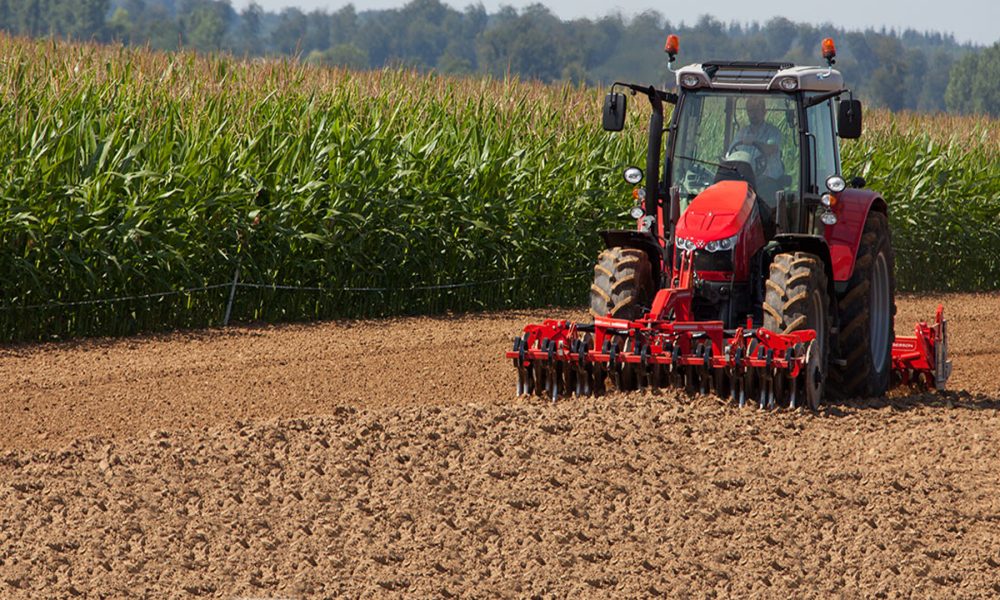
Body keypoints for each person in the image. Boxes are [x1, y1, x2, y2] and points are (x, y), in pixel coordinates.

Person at [730, 96, 784, 182]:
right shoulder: (742, 133)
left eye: (756, 110)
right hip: (745, 178)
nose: (753, 114)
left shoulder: (773, 132)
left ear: (764, 112)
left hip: (769, 180)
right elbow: (731, 153)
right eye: (750, 111)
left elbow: (770, 148)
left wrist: (754, 142)